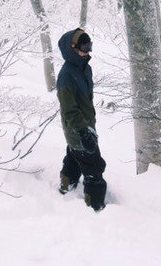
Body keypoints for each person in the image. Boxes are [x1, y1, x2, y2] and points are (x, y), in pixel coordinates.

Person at [56, 27, 107, 211]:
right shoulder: (66, 76)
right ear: (72, 48)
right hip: (77, 128)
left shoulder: (85, 69)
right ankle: (95, 205)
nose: (88, 51)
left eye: (90, 45)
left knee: (75, 154)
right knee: (94, 165)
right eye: (84, 47)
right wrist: (84, 131)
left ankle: (66, 181)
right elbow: (69, 110)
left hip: (85, 125)